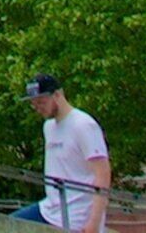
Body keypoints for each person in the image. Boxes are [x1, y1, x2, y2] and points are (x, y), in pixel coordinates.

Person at [19, 74, 108, 230]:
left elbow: (103, 174)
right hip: (50, 209)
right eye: (33, 104)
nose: (37, 107)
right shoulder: (49, 126)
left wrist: (94, 222)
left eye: (41, 102)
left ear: (58, 95)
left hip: (76, 215)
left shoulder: (84, 125)